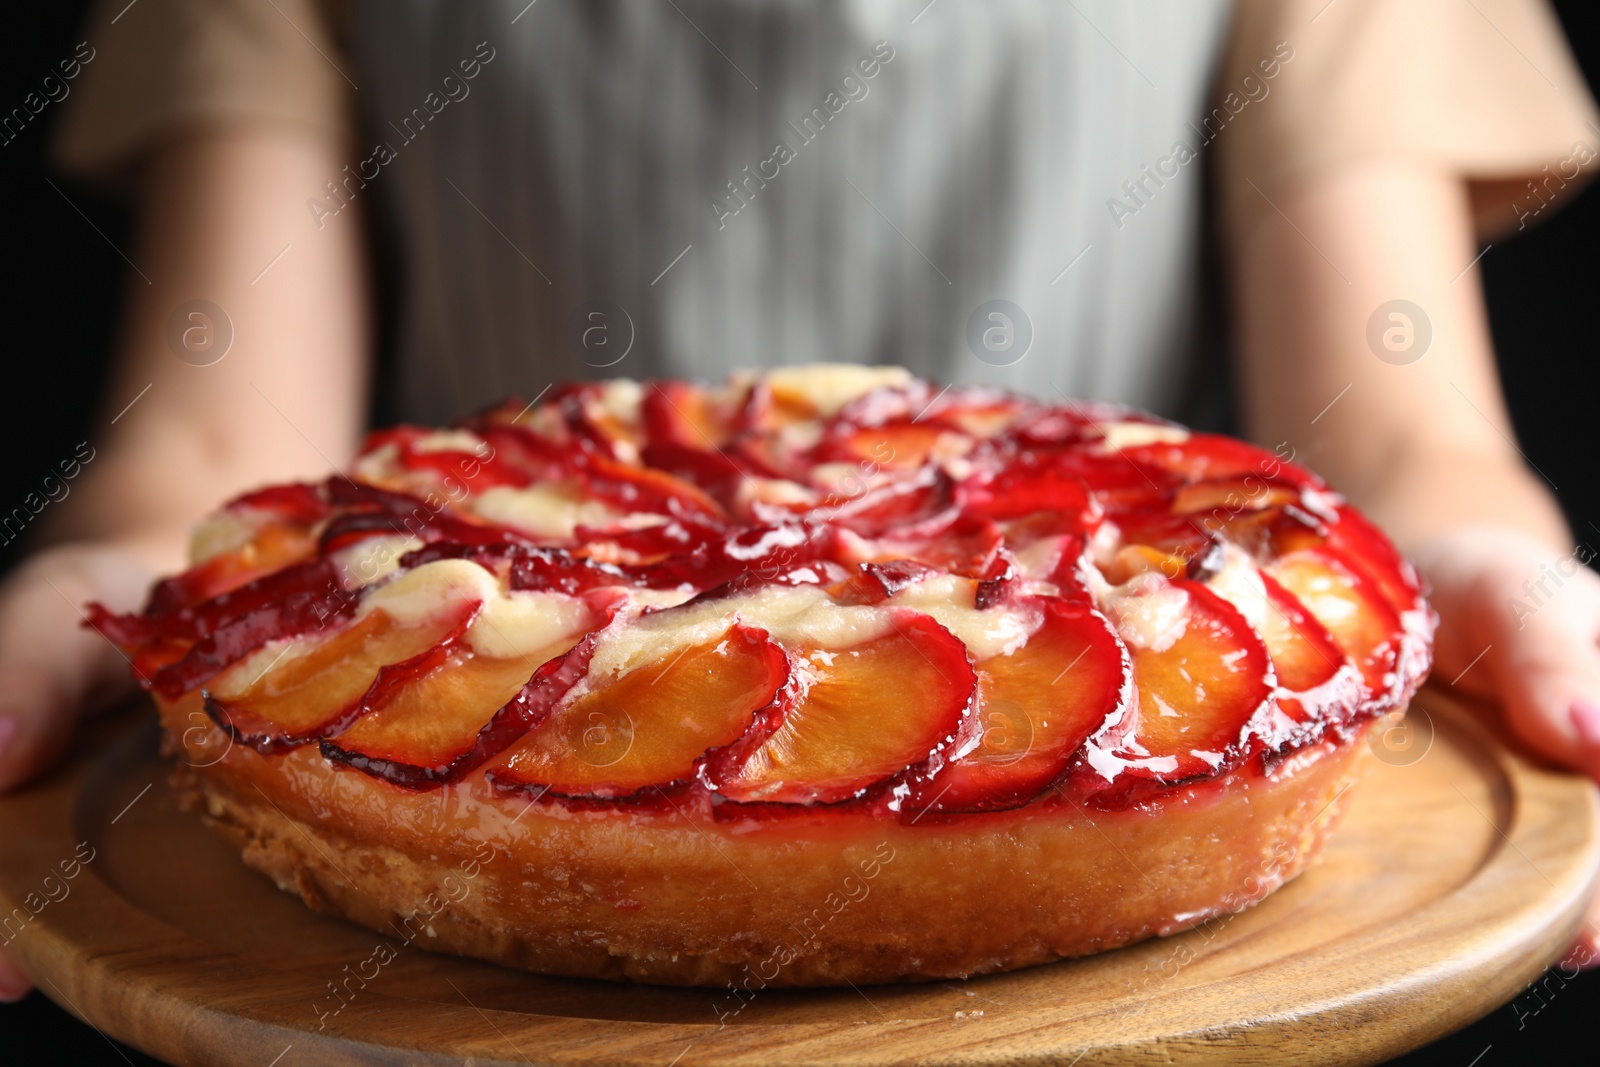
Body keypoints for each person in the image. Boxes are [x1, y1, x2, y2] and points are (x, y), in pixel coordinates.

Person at [2, 0, 1599, 1002]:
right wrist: (118, 568)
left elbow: (1400, 427)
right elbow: (218, 430)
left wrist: (1484, 564)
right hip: (473, 614)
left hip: (1119, 611)